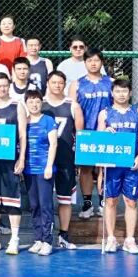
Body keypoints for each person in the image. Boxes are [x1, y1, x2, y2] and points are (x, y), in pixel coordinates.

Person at [98, 78, 138, 254]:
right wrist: (104, 132)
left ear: (130, 93)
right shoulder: (105, 113)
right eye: (118, 91)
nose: (121, 94)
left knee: (131, 201)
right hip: (112, 165)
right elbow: (98, 137)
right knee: (110, 201)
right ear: (112, 93)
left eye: (124, 91)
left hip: (131, 164)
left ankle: (129, 240)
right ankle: (111, 238)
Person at [0, 74, 27, 255]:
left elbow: (22, 134)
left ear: (9, 86)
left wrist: (21, 158)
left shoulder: (17, 105)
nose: (2, 89)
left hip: (10, 159)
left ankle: (14, 239)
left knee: (12, 199)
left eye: (5, 86)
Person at [69, 48, 112, 221]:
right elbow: (71, 110)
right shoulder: (77, 84)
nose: (93, 63)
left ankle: (102, 202)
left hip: (105, 133)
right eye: (89, 60)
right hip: (85, 134)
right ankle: (87, 203)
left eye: (96, 60)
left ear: (102, 62)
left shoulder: (111, 83)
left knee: (103, 167)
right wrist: (75, 134)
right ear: (85, 63)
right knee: (85, 168)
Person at [43, 71, 84, 249]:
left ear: (64, 84)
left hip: (65, 159)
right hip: (43, 159)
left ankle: (64, 235)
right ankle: (43, 236)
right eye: (54, 82)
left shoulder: (72, 105)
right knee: (44, 200)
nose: (57, 85)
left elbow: (80, 135)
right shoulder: (40, 104)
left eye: (60, 82)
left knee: (65, 199)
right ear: (48, 83)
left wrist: (78, 160)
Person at [23, 90, 58, 256]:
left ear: (41, 103)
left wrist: (49, 166)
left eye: (37, 101)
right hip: (28, 169)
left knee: (45, 205)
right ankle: (38, 239)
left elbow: (53, 144)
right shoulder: (24, 121)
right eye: (30, 102)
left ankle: (47, 241)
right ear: (26, 104)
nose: (34, 105)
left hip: (44, 170)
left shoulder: (48, 120)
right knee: (34, 205)